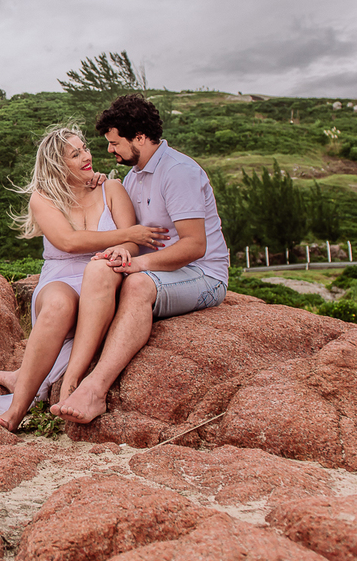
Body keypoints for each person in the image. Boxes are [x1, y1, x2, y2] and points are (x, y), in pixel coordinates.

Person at [51, 94, 229, 425]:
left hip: (203, 275)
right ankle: (65, 375)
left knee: (135, 285)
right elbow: (131, 232)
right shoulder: (134, 176)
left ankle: (96, 390)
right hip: (161, 272)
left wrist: (139, 264)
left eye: (114, 142)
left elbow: (194, 246)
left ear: (140, 138)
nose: (109, 151)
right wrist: (103, 187)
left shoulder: (177, 172)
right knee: (100, 268)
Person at [0, 124, 168, 431]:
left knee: (100, 275)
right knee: (57, 305)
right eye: (75, 153)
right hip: (60, 278)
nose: (86, 156)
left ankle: (63, 384)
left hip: (103, 276)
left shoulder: (112, 189)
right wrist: (127, 233)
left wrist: (124, 244)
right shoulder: (43, 199)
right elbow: (67, 241)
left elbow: (133, 244)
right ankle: (16, 411)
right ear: (57, 164)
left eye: (85, 148)